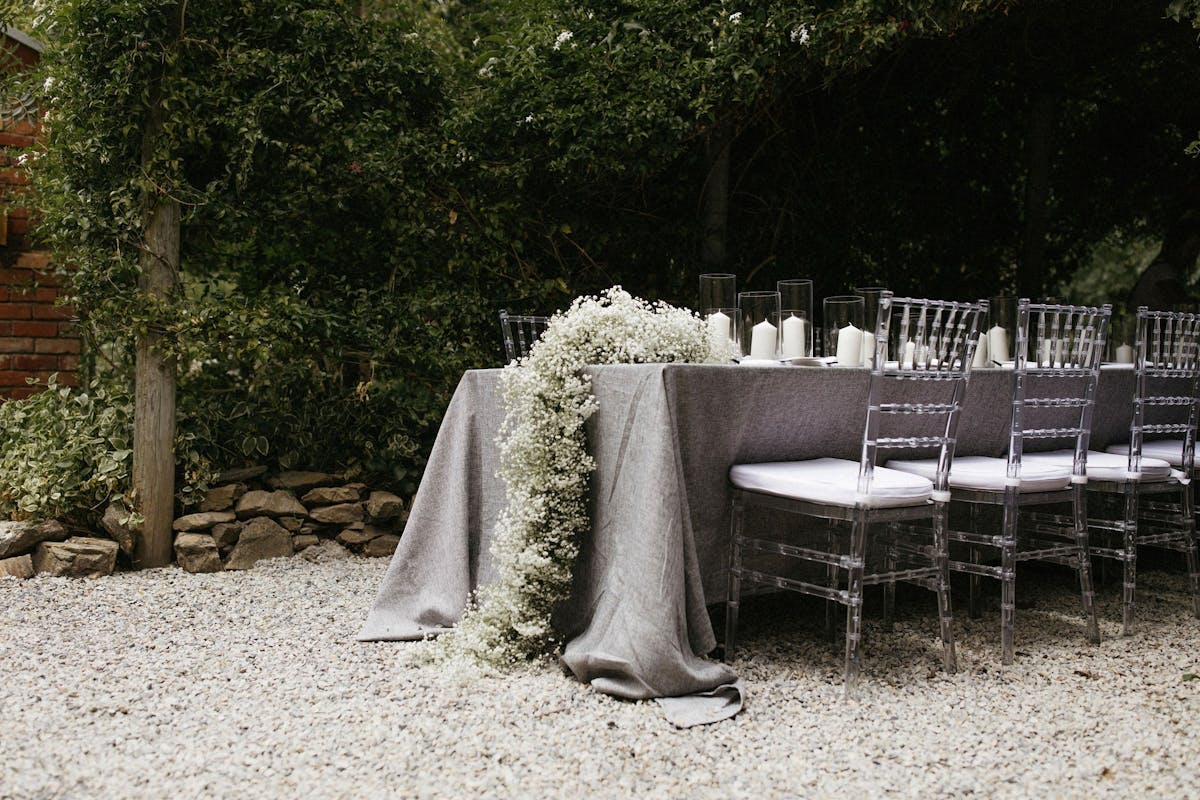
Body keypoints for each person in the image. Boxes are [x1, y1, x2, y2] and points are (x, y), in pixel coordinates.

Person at [1127, 209, 1200, 311]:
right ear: (1177, 246)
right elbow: (1180, 301)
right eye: (1190, 249)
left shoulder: (1168, 271)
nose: (1192, 255)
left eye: (1196, 250)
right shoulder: (1162, 271)